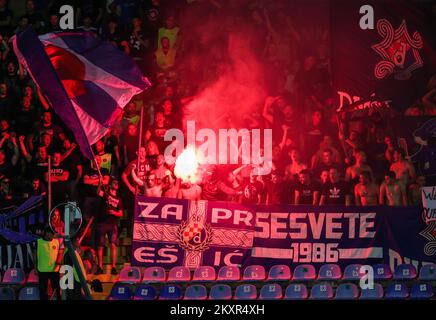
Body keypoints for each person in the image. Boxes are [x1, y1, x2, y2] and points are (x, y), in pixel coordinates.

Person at [95, 178, 123, 275]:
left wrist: (114, 212)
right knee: (100, 246)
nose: (116, 184)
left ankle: (114, 267)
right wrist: (100, 183)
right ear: (110, 184)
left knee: (113, 245)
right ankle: (100, 267)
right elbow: (98, 192)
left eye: (117, 183)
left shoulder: (119, 199)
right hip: (102, 223)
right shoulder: (105, 194)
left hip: (112, 224)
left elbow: (120, 213)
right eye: (114, 182)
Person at [34, 225, 62, 300]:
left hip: (54, 270)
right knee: (43, 292)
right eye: (52, 233)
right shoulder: (38, 242)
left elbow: (59, 253)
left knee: (56, 291)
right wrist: (35, 267)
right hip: (43, 270)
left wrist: (58, 264)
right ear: (47, 233)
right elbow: (34, 256)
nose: (53, 235)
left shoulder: (56, 241)